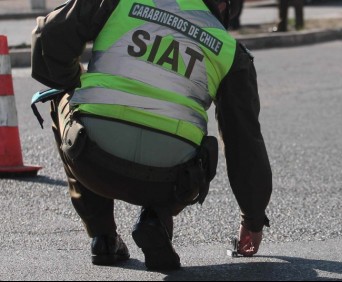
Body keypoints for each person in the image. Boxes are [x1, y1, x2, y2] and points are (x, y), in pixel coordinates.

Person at [30, 0, 272, 271]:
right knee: (197, 140)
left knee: (61, 94)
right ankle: (155, 218)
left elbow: (48, 36)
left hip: (91, 160)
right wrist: (252, 220)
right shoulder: (229, 51)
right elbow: (245, 143)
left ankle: (103, 238)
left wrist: (74, 80)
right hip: (171, 182)